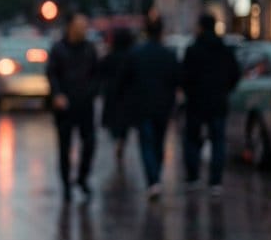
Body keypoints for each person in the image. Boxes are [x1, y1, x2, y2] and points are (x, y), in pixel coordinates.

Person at [118, 16, 181, 199]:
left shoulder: (136, 54)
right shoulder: (168, 54)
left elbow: (124, 80)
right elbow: (177, 78)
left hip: (143, 106)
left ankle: (153, 180)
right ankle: (155, 178)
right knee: (158, 142)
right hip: (162, 106)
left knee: (147, 143)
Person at [182, 14, 241, 195]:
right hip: (217, 102)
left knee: (192, 139)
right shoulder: (224, 50)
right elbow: (235, 74)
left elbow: (184, 76)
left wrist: (189, 92)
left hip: (196, 103)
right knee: (218, 141)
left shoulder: (193, 50)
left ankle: (194, 177)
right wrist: (224, 89)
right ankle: (215, 181)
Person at [47, 12, 100, 201]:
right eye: (80, 26)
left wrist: (92, 92)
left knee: (90, 144)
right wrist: (57, 94)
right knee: (64, 147)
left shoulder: (89, 49)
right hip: (65, 106)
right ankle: (66, 184)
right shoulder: (58, 49)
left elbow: (96, 73)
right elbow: (52, 74)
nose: (83, 30)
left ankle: (82, 178)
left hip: (85, 104)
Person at [99, 28, 136, 163]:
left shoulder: (110, 56)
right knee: (124, 126)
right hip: (127, 97)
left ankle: (118, 141)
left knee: (114, 124)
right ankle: (121, 141)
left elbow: (100, 72)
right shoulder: (131, 57)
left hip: (113, 96)